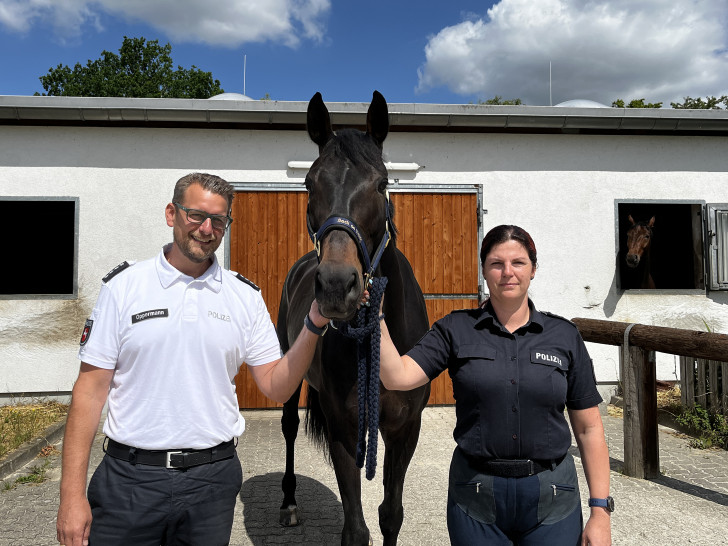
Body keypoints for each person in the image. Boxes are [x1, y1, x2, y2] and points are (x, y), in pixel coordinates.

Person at [56, 173, 330, 546]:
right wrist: (71, 498)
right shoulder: (125, 287)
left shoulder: (243, 296)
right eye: (195, 215)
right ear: (171, 214)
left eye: (218, 220)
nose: (206, 229)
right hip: (129, 482)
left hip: (211, 483)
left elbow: (276, 385)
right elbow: (89, 392)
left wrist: (313, 324)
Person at [377, 225, 612, 545]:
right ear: (484, 270)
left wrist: (600, 512)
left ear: (533, 270)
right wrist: (375, 319)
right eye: (496, 263)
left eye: (518, 262)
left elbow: (589, 429)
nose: (507, 272)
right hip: (476, 497)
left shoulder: (564, 336)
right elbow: (398, 377)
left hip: (553, 497)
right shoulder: (454, 329)